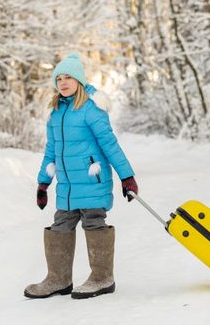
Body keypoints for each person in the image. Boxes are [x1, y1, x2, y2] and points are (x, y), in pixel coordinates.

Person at [24, 53, 139, 300]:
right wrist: (43, 183)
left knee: (94, 223)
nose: (63, 83)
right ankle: (58, 279)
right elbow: (51, 151)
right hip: (66, 186)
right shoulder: (56, 113)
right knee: (59, 226)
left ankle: (102, 278)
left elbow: (110, 145)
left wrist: (126, 176)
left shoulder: (91, 110)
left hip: (91, 181)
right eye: (59, 78)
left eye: (69, 77)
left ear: (79, 80)